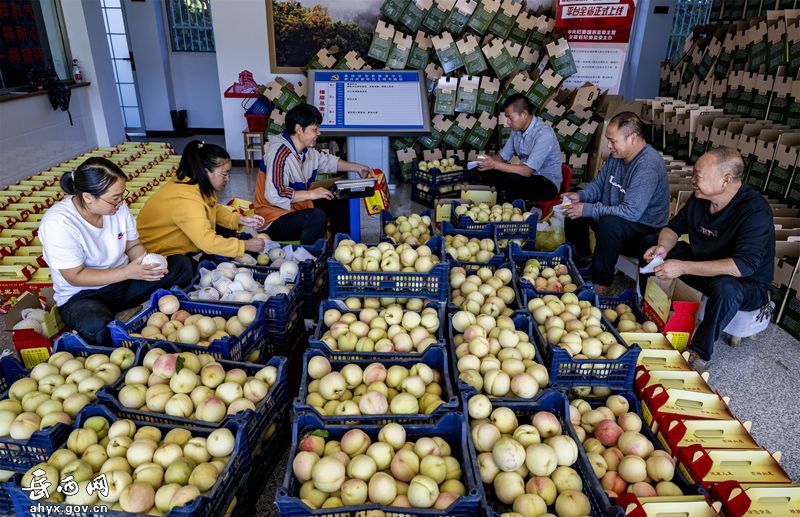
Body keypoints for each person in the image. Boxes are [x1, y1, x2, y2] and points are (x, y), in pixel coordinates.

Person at [641, 147, 775, 372]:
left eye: (699, 175)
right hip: (705, 266)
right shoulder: (700, 198)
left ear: (726, 180)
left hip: (747, 284)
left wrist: (683, 267)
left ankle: (699, 353)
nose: (692, 180)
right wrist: (662, 248)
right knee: (649, 242)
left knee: (726, 287)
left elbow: (741, 266)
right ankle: (648, 313)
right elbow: (673, 228)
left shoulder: (755, 212)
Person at [39, 157, 193, 346]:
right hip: (84, 295)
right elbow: (74, 276)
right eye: (114, 198)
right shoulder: (58, 224)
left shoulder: (117, 209)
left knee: (181, 265)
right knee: (95, 326)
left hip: (123, 284)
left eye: (121, 195)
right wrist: (127, 272)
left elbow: (132, 245)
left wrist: (146, 264)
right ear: (88, 197)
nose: (120, 202)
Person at [563, 111, 669, 294]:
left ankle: (601, 284)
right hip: (618, 216)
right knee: (573, 207)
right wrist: (581, 196)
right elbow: (599, 185)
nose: (609, 146)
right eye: (608, 140)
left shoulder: (648, 165)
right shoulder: (617, 156)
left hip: (643, 229)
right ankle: (581, 263)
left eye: (613, 141)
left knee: (608, 224)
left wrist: (588, 209)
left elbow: (631, 212)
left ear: (633, 138)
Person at [255, 103, 372, 244]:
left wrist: (357, 168)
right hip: (272, 219)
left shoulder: (306, 151)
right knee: (316, 217)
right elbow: (275, 195)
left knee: (338, 197)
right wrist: (312, 194)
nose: (318, 133)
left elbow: (327, 162)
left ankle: (342, 246)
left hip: (296, 207)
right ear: (299, 129)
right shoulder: (279, 154)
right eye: (314, 129)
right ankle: (312, 254)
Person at [136, 140, 268, 263]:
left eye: (229, 174)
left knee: (225, 228)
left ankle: (215, 258)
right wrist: (245, 245)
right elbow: (207, 241)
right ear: (206, 172)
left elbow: (212, 208)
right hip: (153, 253)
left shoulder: (196, 184)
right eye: (224, 174)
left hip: (178, 241)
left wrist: (240, 219)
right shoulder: (185, 200)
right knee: (184, 267)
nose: (228, 179)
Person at [476, 93, 562, 203]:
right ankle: (488, 203)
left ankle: (508, 209)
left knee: (511, 180)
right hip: (527, 178)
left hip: (547, 183)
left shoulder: (544, 134)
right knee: (487, 171)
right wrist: (488, 162)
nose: (508, 122)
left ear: (524, 114)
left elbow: (527, 171)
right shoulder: (517, 131)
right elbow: (502, 157)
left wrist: (495, 164)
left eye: (510, 117)